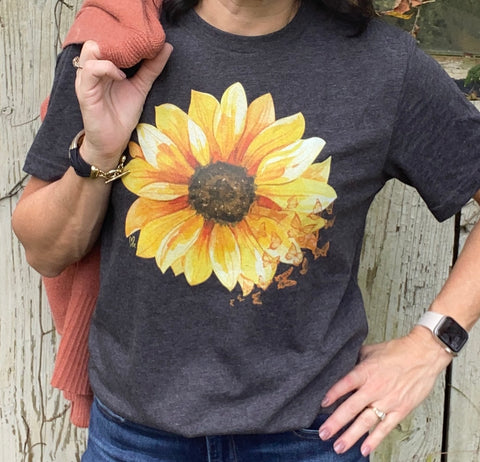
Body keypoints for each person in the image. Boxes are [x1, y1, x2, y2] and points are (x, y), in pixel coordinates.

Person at [11, 0, 480, 460]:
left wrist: (432, 345)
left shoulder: (383, 67)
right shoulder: (117, 47)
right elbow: (45, 251)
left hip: (311, 439)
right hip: (135, 439)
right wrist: (99, 152)